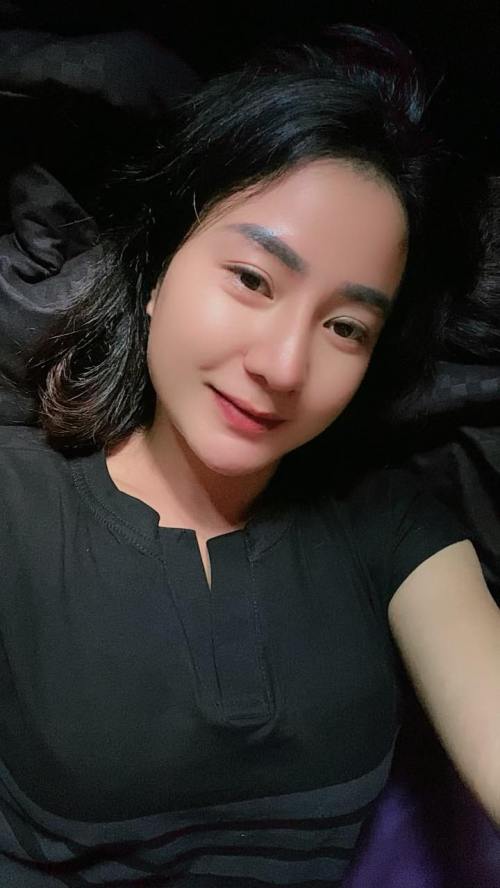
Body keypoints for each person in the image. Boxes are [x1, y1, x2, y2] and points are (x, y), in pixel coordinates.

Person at [0, 24, 498, 888]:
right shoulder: (17, 500)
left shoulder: (392, 528)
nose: (285, 366)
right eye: (254, 280)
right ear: (159, 270)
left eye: (346, 327)